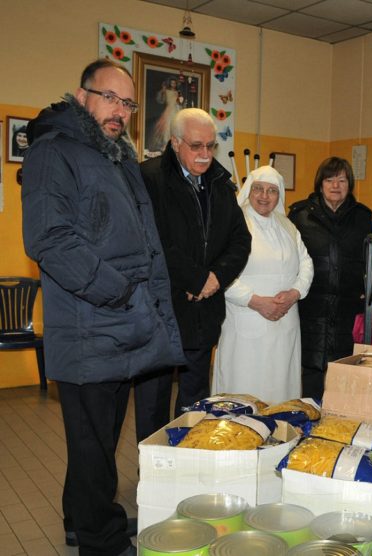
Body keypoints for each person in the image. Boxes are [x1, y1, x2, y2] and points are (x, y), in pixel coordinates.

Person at [21, 59, 184, 556]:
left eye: (128, 103)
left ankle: (80, 519)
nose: (120, 110)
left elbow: (145, 241)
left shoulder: (116, 156)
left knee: (98, 439)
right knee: (93, 446)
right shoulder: (56, 152)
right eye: (110, 97)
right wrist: (115, 290)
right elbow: (48, 238)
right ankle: (103, 542)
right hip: (91, 324)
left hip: (123, 324)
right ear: (81, 95)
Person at [134, 108, 251, 442]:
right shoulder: (149, 179)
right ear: (175, 143)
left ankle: (185, 460)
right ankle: (154, 468)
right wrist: (196, 280)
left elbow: (240, 240)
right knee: (152, 402)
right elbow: (152, 240)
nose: (205, 155)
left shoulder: (220, 182)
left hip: (203, 311)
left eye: (211, 146)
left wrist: (214, 279)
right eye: (196, 146)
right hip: (160, 309)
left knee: (194, 399)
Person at [212, 166, 314, 401]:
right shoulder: (232, 224)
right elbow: (219, 272)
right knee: (243, 390)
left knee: (281, 388)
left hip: (285, 322)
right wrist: (255, 301)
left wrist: (295, 292)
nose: (264, 196)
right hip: (245, 320)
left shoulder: (288, 226)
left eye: (272, 191)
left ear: (279, 196)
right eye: (258, 189)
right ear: (249, 191)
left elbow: (306, 262)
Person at [288, 156, 372, 400]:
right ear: (320, 184)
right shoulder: (300, 216)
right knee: (311, 377)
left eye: (342, 180)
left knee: (345, 379)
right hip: (310, 309)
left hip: (348, 311)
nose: (336, 185)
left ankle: (337, 433)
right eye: (330, 180)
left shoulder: (363, 218)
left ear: (350, 184)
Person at [149, 78, 181, 152]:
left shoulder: (177, 92)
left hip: (175, 110)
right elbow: (161, 100)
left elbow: (178, 102)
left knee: (175, 126)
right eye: (172, 83)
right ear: (170, 83)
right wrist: (163, 91)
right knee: (166, 127)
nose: (173, 84)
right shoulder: (167, 91)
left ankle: (173, 144)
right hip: (168, 110)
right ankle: (166, 144)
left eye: (174, 83)